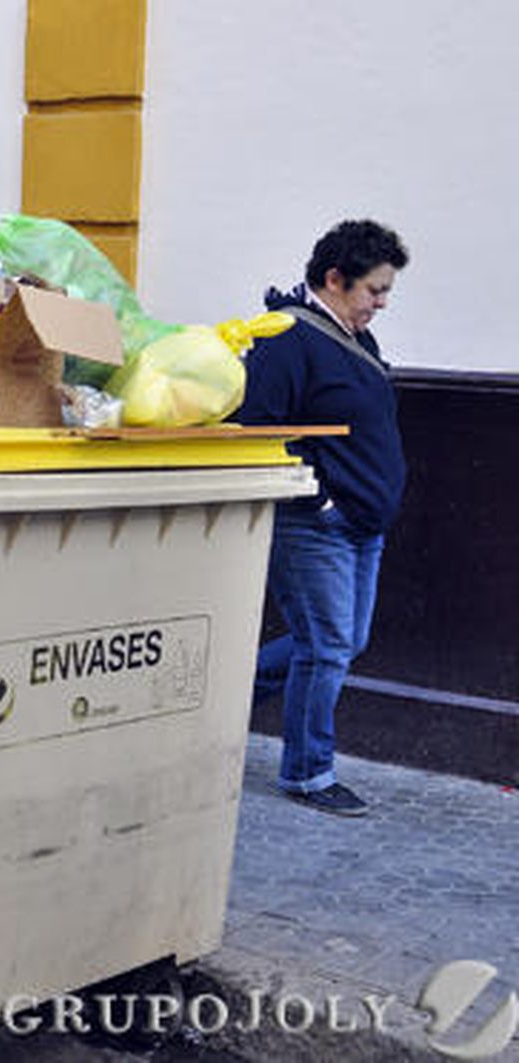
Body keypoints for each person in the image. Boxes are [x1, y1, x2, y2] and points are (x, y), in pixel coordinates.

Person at [237, 219, 409, 817]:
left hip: (364, 524)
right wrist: (323, 504)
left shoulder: (357, 338)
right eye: (374, 291)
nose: (382, 304)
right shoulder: (287, 339)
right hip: (316, 525)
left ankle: (224, 703)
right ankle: (308, 774)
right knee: (327, 646)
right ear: (335, 279)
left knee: (343, 641)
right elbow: (259, 429)